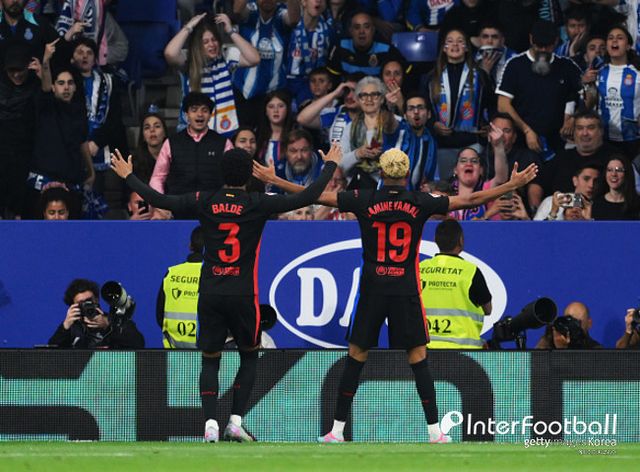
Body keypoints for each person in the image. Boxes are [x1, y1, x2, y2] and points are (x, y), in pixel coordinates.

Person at [254, 147, 537, 444]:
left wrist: (277, 180)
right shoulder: (420, 201)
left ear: (381, 172)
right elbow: (469, 199)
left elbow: (315, 195)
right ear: (406, 173)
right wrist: (511, 185)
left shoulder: (364, 198)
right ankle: (435, 432)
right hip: (405, 290)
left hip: (373, 289)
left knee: (355, 358)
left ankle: (336, 431)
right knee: (418, 359)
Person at [110, 142, 341, 443]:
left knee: (210, 360)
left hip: (211, 293)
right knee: (249, 357)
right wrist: (330, 165)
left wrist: (129, 176)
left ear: (222, 173)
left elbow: (159, 199)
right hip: (243, 294)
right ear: (248, 175)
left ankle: (210, 424)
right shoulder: (258, 202)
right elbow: (308, 197)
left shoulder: (204, 200)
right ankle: (235, 421)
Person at [25, 39, 93, 219]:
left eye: (70, 83)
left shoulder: (79, 112)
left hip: (71, 182)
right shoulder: (46, 107)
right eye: (61, 83)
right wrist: (46, 62)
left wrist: (91, 170)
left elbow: (82, 143)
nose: (66, 87)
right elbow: (45, 88)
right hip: (44, 181)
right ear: (54, 87)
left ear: (75, 87)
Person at [496, 20, 582, 162]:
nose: (542, 50)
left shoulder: (567, 66)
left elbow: (589, 97)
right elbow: (503, 105)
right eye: (539, 45)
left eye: (547, 46)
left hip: (559, 144)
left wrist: (574, 117)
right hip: (522, 143)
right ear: (531, 39)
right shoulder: (515, 65)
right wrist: (527, 130)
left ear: (556, 41)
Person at [165, 12, 259, 137]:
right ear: (198, 45)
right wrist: (188, 27)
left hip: (225, 132)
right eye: (206, 42)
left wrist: (231, 31)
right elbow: (170, 54)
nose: (212, 44)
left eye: (214, 40)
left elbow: (254, 58)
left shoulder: (226, 56)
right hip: (196, 134)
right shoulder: (189, 60)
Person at [149, 92, 233, 219]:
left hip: (214, 213)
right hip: (178, 211)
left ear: (210, 115)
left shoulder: (224, 143)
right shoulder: (171, 143)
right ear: (186, 115)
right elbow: (157, 178)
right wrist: (161, 205)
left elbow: (233, 179)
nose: (200, 114)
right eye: (194, 110)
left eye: (204, 110)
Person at [426, 28, 495, 181]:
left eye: (460, 41)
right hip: (443, 144)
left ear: (466, 47)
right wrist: (433, 124)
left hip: (472, 142)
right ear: (444, 48)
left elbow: (492, 106)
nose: (455, 45)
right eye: (450, 41)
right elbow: (425, 108)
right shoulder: (431, 78)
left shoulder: (480, 76)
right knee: (445, 187)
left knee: (473, 185)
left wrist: (488, 125)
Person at [419, 219, 492, 349]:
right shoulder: (470, 271)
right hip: (463, 352)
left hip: (425, 350)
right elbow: (488, 309)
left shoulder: (420, 269)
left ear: (435, 240)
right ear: (461, 241)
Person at [231, 0, 301, 127]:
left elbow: (294, 19)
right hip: (243, 91)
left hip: (274, 93)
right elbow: (237, 10)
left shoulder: (281, 14)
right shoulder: (250, 12)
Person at [0, 40, 39, 219]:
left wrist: (43, 71)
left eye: (20, 70)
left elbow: (48, 100)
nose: (16, 75)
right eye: (11, 70)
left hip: (25, 157)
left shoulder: (35, 87)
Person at [588, 26, 640, 159]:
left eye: (619, 38)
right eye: (610, 38)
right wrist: (587, 84)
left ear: (628, 46)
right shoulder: (597, 72)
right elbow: (589, 104)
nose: (614, 41)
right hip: (604, 139)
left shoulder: (637, 73)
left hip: (633, 139)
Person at [48, 278, 145, 349]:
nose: (87, 305)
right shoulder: (72, 328)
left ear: (97, 299)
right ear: (73, 306)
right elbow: (50, 354)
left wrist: (108, 325)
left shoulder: (116, 321)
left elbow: (138, 344)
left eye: (89, 300)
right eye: (81, 303)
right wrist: (65, 326)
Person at [340, 75, 399, 189]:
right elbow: (340, 166)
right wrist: (358, 154)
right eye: (364, 95)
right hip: (357, 187)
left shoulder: (397, 122)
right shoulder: (350, 128)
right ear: (358, 100)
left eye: (374, 95)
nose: (369, 99)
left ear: (382, 99)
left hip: (388, 186)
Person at [157, 226, 204, 349]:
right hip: (207, 352)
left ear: (190, 246)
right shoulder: (214, 275)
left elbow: (159, 315)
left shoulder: (171, 273)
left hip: (174, 350)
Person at [326, 11, 404, 77]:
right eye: (357, 27)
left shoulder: (387, 50)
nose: (362, 31)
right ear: (351, 31)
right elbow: (331, 79)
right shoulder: (340, 47)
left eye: (366, 27)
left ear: (373, 30)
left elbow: (406, 73)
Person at [386, 92, 438, 189]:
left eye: (420, 108)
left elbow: (430, 177)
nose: (416, 112)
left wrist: (428, 187)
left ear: (429, 114)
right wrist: (390, 108)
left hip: (414, 195)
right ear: (405, 115)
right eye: (411, 108)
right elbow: (389, 125)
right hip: (389, 193)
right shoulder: (398, 130)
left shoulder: (431, 142)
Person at [534, 161, 600, 221]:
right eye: (586, 179)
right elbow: (537, 229)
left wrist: (589, 219)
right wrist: (553, 212)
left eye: (596, 181)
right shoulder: (550, 202)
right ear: (575, 180)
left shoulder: (599, 207)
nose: (591, 185)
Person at [590, 154, 640, 220]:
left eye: (619, 170)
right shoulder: (595, 204)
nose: (613, 174)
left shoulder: (637, 203)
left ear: (627, 174)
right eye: (609, 170)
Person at [535, 302, 602, 349]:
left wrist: (562, 350)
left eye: (577, 322)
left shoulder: (595, 349)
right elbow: (536, 363)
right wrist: (547, 339)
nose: (572, 326)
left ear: (589, 323)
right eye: (568, 321)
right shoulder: (551, 341)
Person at [255, 89, 295, 168]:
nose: (276, 110)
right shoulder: (257, 135)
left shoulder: (295, 134)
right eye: (271, 107)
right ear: (266, 111)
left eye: (280, 106)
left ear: (287, 110)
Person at [132, 112, 168, 185]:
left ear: (164, 133)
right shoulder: (134, 163)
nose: (152, 130)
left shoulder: (175, 158)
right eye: (147, 127)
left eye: (157, 126)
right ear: (143, 136)